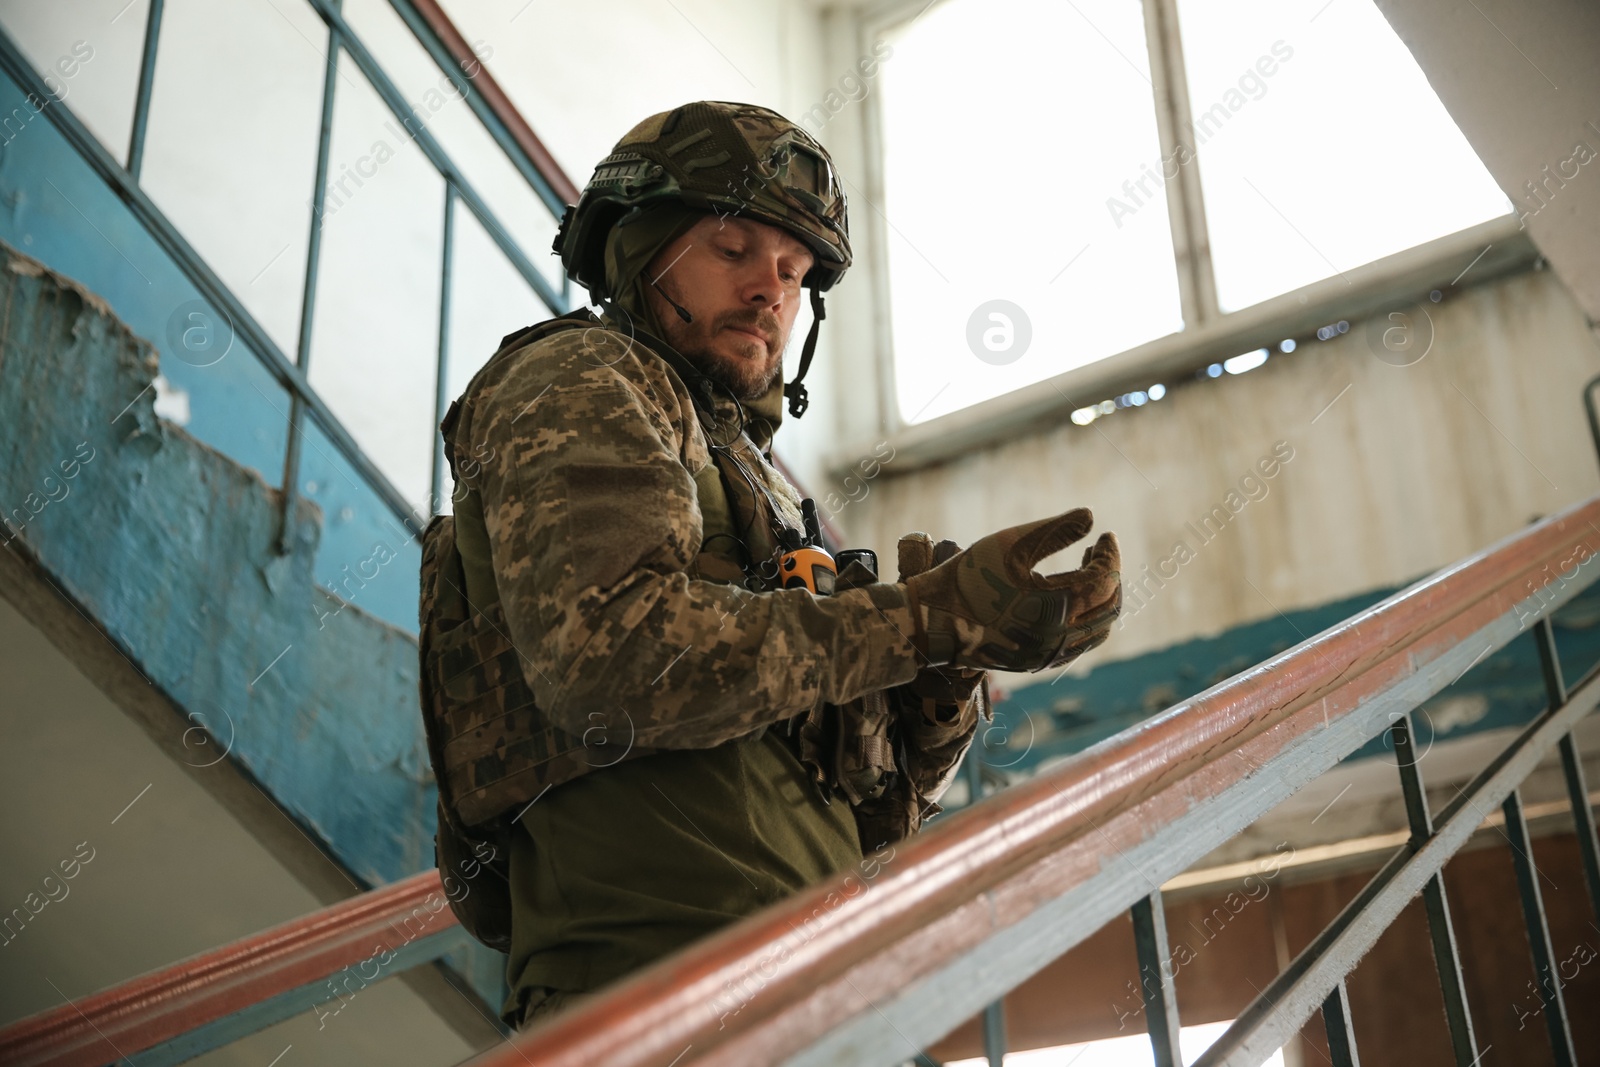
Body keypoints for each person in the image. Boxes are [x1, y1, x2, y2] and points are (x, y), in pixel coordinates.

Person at [417, 101, 1123, 1030]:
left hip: (814, 996)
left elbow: (871, 818)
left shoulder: (767, 495)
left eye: (793, 271)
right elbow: (610, 660)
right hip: (650, 995)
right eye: (732, 248)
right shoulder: (587, 378)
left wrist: (945, 678)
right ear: (638, 249)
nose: (771, 290)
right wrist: (919, 622)